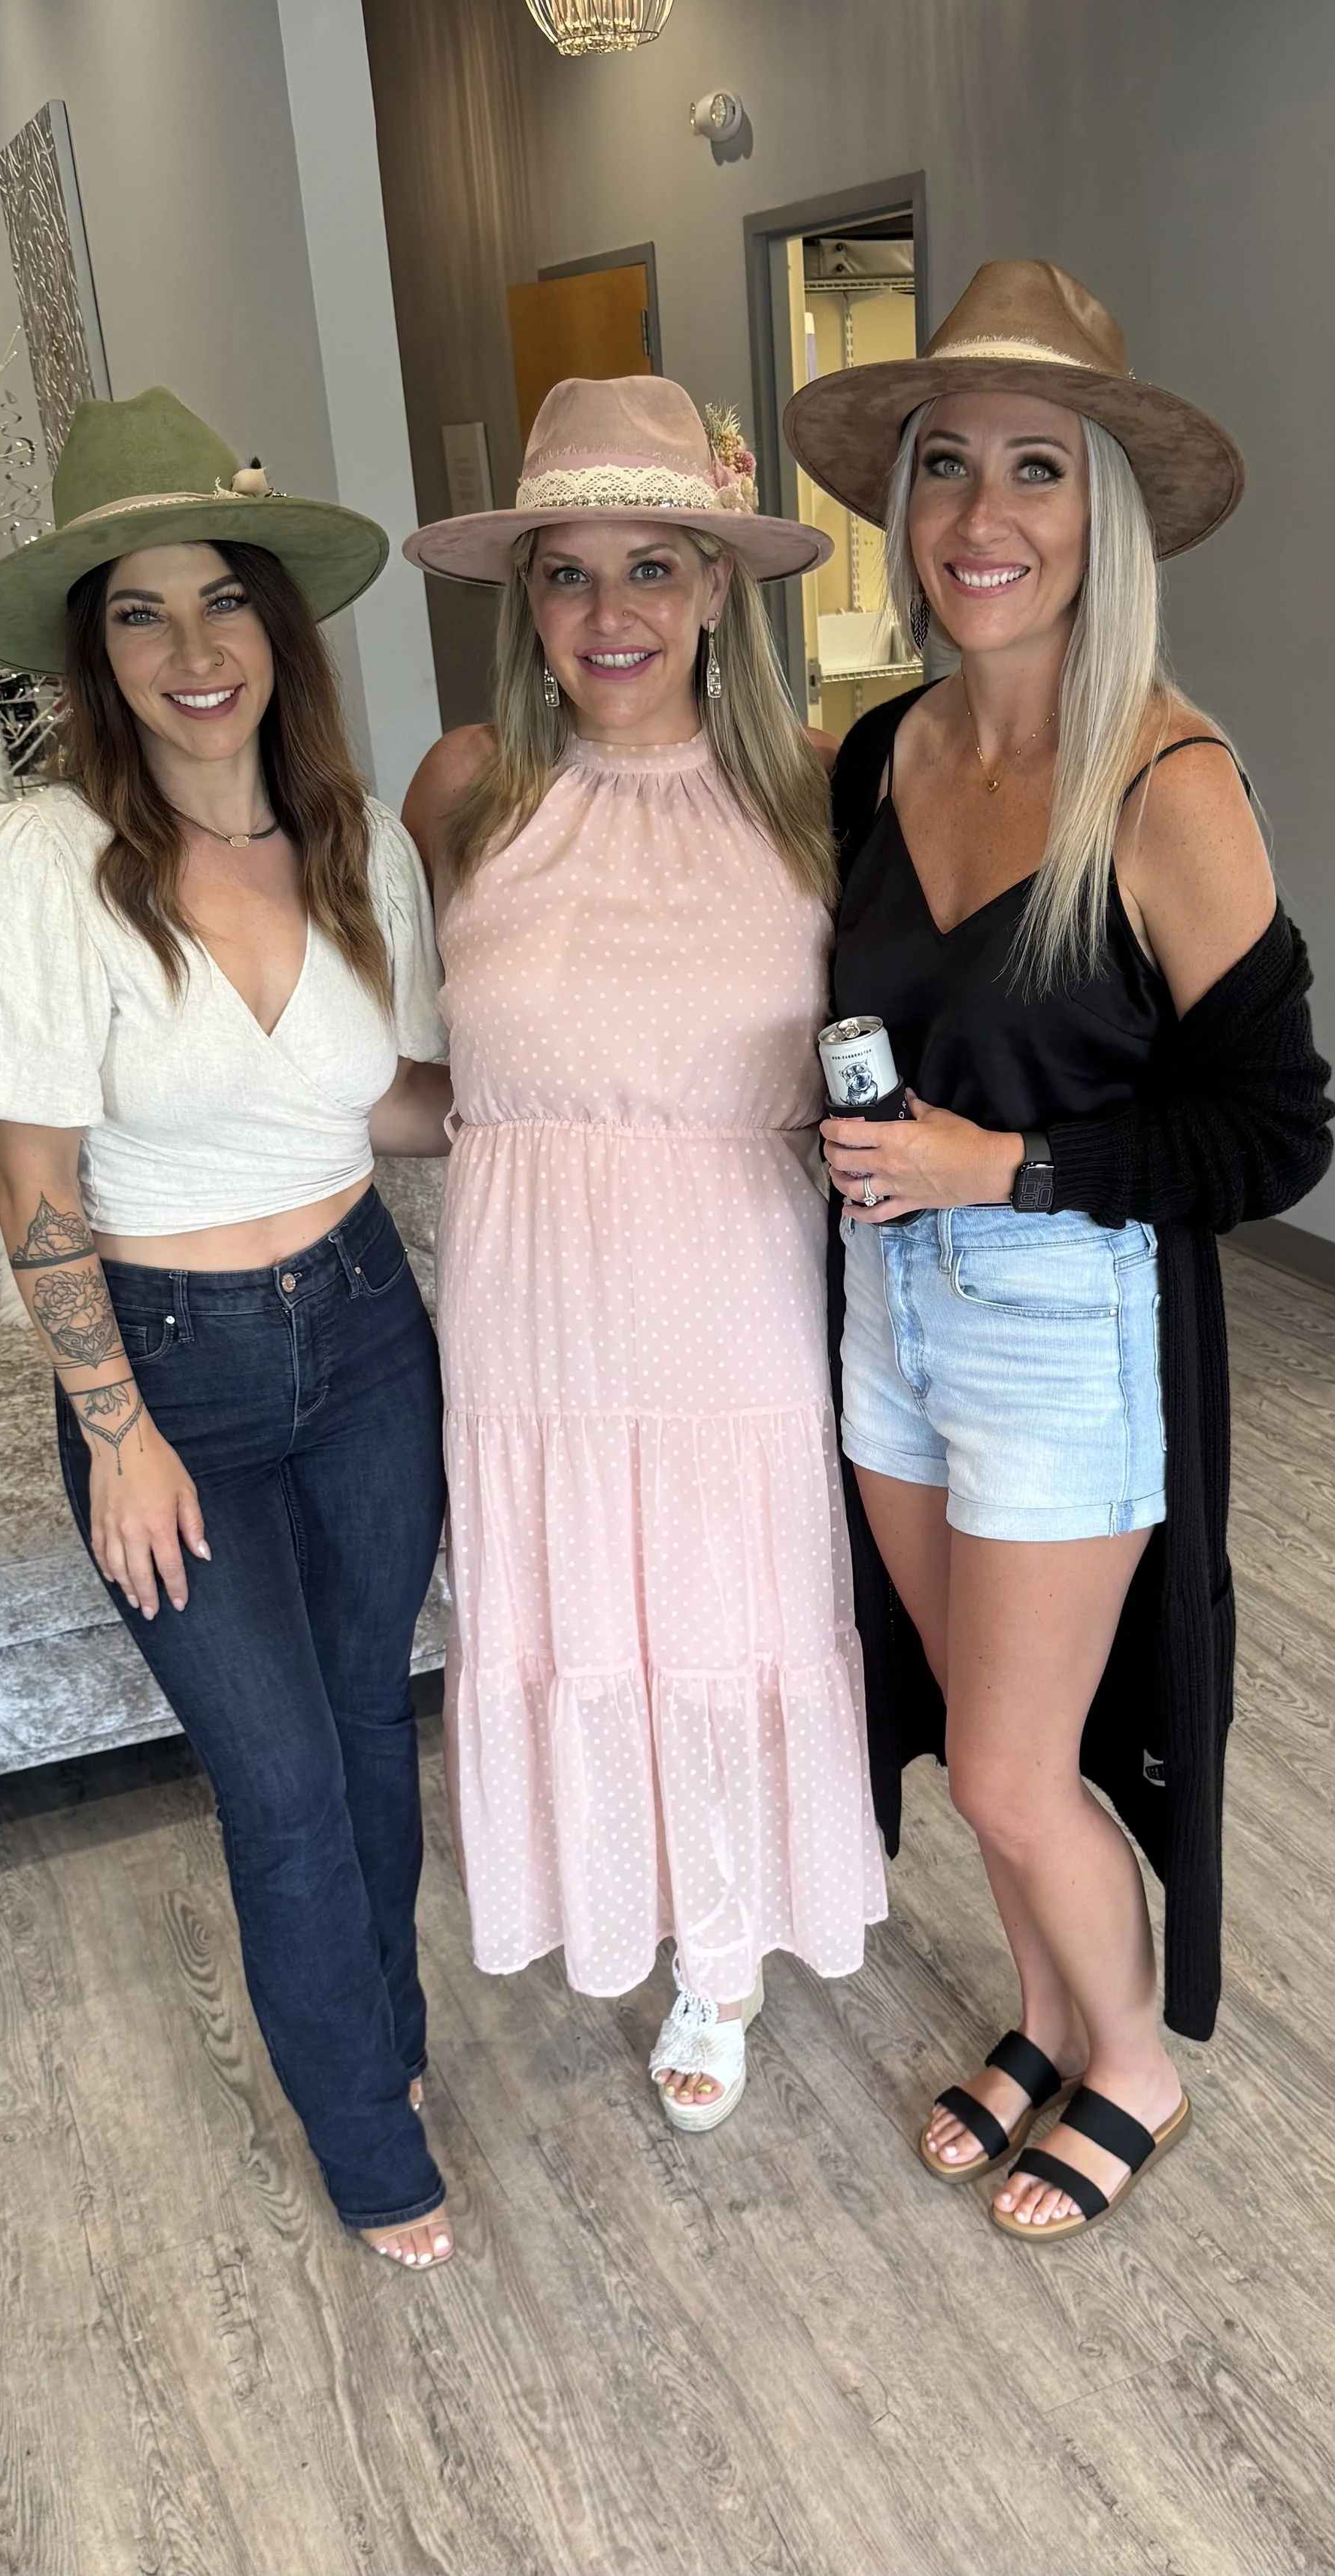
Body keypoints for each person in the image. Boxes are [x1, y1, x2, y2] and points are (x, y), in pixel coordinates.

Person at [783, 260, 1335, 2238]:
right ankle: (1038, 2008)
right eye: (944, 468)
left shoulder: (1164, 784)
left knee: (1019, 1774)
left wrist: (999, 1166)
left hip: (1054, 1322)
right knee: (964, 1745)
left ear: (1100, 510)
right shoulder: (878, 752)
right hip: (883, 1314)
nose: (980, 518)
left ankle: (1133, 2066)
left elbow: (1276, 1132)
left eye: (1034, 469)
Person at [0, 390, 457, 2270]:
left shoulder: (349, 841)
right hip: (173, 1373)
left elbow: (372, 1103)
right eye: (138, 613)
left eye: (219, 600)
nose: (190, 649)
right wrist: (116, 1421)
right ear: (94, 649)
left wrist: (546, 1105)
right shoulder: (40, 864)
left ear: (276, 629)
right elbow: (33, 1179)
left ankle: (385, 2048)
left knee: (371, 1737)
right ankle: (364, 2137)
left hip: (370, 1338)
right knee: (283, 1777)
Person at [401, 376, 887, 2129]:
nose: (610, 616)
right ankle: (620, 1894)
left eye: (653, 568)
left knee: (727, 1609)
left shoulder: (819, 794)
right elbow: (460, 1076)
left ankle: (725, 1945)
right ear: (523, 601)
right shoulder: (461, 788)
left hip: (734, 1287)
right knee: (568, 1607)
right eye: (568, 574)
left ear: (713, 591)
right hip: (527, 1299)